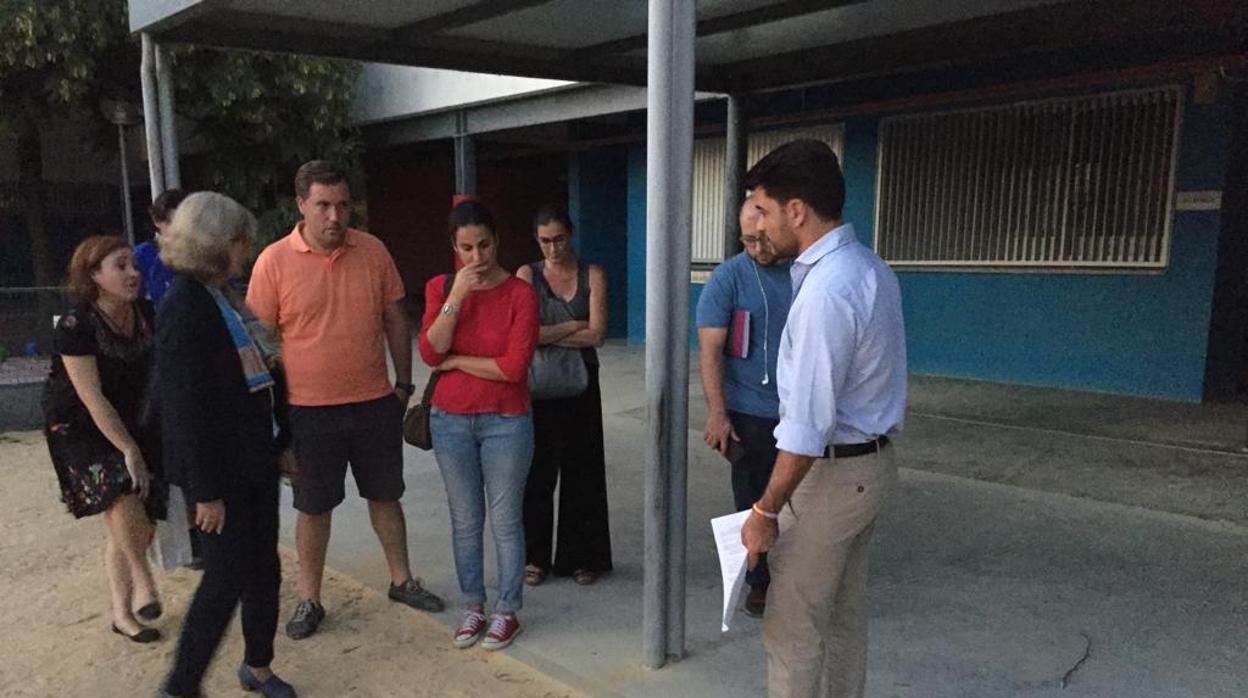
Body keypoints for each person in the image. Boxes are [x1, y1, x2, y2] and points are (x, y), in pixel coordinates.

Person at [247, 161, 444, 641]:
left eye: (342, 205)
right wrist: (272, 415)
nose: (335, 216)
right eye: (323, 206)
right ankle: (309, 598)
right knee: (313, 508)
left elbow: (396, 319)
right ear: (301, 205)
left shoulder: (373, 250)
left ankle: (402, 580)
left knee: (386, 495)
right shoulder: (273, 261)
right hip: (307, 412)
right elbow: (258, 343)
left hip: (375, 403)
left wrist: (403, 385)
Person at [739, 140, 906, 698]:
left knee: (792, 630)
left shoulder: (826, 292)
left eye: (763, 210)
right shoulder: (868, 268)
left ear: (796, 211)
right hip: (870, 469)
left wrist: (765, 509)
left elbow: (808, 431)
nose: (756, 226)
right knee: (842, 620)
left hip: (830, 479)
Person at [155, 192, 297, 698]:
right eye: (240, 241)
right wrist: (205, 492)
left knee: (265, 568)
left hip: (255, 459)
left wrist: (284, 439)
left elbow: (266, 373)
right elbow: (184, 408)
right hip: (221, 474)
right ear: (214, 243)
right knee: (224, 579)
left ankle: (257, 666)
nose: (248, 250)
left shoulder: (226, 296)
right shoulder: (183, 307)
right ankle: (180, 686)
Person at [419, 200, 539, 651]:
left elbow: (513, 367)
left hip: (505, 421)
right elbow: (431, 354)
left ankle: (507, 610)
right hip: (450, 420)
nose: (477, 258)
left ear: (497, 241)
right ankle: (473, 605)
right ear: (454, 247)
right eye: (466, 248)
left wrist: (457, 362)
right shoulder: (441, 287)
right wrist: (456, 298)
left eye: (484, 245)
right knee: (465, 519)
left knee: (505, 519)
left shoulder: (520, 294)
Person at [41, 235, 163, 643]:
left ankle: (122, 614)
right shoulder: (77, 326)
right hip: (79, 426)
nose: (133, 274)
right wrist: (128, 449)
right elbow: (90, 397)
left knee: (135, 526)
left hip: (134, 420)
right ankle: (145, 582)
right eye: (121, 266)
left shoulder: (146, 313)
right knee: (121, 493)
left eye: (134, 265)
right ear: (94, 276)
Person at [695, 201, 792, 617]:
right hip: (749, 410)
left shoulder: (804, 272)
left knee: (797, 498)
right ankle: (759, 580)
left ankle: (795, 576)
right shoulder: (728, 277)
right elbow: (711, 350)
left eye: (764, 238)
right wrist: (718, 412)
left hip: (798, 410)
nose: (757, 248)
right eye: (749, 240)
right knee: (751, 499)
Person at [516, 205, 612, 587]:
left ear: (570, 235)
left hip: (582, 384)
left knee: (583, 470)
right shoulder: (527, 275)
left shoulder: (593, 274)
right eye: (544, 242)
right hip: (539, 386)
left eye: (558, 239)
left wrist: (551, 330)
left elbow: (599, 334)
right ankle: (534, 556)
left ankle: (583, 557)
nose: (552, 249)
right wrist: (574, 324)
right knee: (537, 471)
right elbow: (525, 335)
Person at [134, 188, 187, 306]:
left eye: (184, 223)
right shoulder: (141, 255)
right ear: (157, 221)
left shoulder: (200, 253)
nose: (178, 229)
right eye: (170, 222)